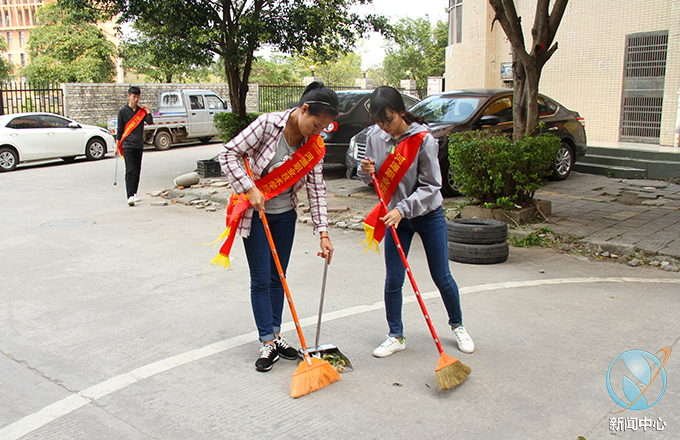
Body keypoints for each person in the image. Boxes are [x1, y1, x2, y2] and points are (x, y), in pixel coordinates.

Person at [218, 82, 339, 372]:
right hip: (256, 213)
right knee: (261, 278)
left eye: (323, 128)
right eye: (316, 124)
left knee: (278, 278)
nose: (317, 132)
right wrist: (249, 187)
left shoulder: (313, 145)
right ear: (304, 109)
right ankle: (267, 341)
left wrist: (323, 232)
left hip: (285, 216)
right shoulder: (267, 125)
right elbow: (228, 153)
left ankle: (275, 334)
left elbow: (316, 189)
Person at [358, 85, 474, 358]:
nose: (384, 126)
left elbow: (431, 186)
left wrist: (403, 209)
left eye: (388, 119)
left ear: (401, 111)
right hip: (395, 218)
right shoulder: (375, 135)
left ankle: (458, 326)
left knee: (441, 276)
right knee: (393, 278)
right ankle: (395, 335)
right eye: (378, 120)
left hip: (427, 215)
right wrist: (365, 171)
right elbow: (372, 178)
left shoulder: (423, 139)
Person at [116, 86, 153, 206]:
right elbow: (120, 129)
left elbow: (150, 121)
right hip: (127, 144)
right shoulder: (122, 111)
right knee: (129, 169)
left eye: (138, 97)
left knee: (137, 169)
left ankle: (134, 193)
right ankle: (129, 195)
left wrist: (148, 110)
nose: (136, 99)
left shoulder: (141, 112)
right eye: (134, 96)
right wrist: (117, 146)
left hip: (138, 144)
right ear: (129, 96)